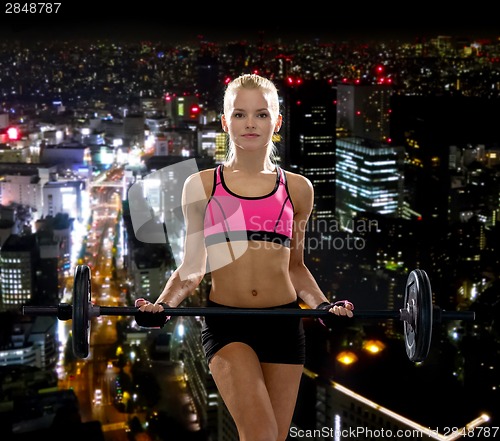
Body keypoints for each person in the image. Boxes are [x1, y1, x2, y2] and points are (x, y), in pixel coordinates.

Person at [135, 73, 354, 441]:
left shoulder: (298, 189)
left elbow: (296, 267)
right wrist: (163, 305)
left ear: (277, 121)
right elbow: (192, 268)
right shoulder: (203, 185)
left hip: (284, 326)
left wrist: (324, 306)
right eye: (239, 114)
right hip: (226, 324)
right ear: (225, 122)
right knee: (261, 435)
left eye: (261, 114)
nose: (250, 123)